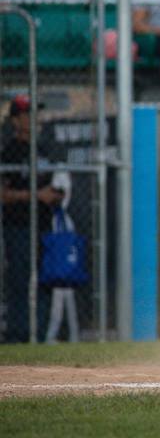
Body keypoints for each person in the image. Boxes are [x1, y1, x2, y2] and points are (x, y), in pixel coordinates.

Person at [1, 95, 63, 343]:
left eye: (35, 113)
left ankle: (41, 334)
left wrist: (56, 195)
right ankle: (18, 336)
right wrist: (36, 195)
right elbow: (3, 194)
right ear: (15, 120)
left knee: (46, 280)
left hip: (44, 227)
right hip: (18, 225)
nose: (33, 118)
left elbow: (52, 184)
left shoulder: (43, 149)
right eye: (27, 114)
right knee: (18, 280)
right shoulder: (9, 151)